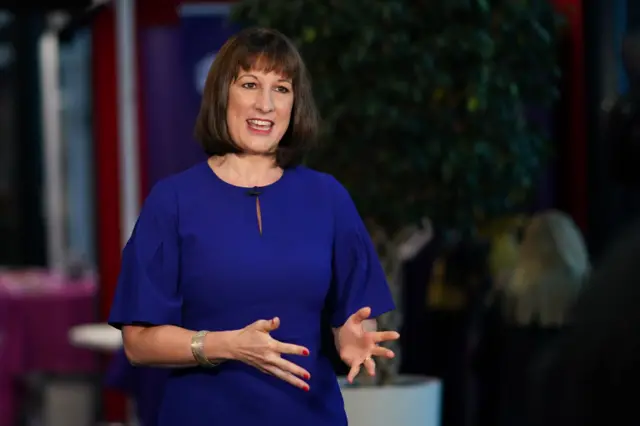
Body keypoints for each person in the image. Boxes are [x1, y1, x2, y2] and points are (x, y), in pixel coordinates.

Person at [108, 27, 399, 426]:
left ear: (295, 105)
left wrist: (349, 337)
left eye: (281, 89)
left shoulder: (328, 198)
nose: (265, 104)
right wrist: (227, 345)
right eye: (250, 84)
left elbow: (353, 316)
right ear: (222, 94)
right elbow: (138, 343)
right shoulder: (172, 201)